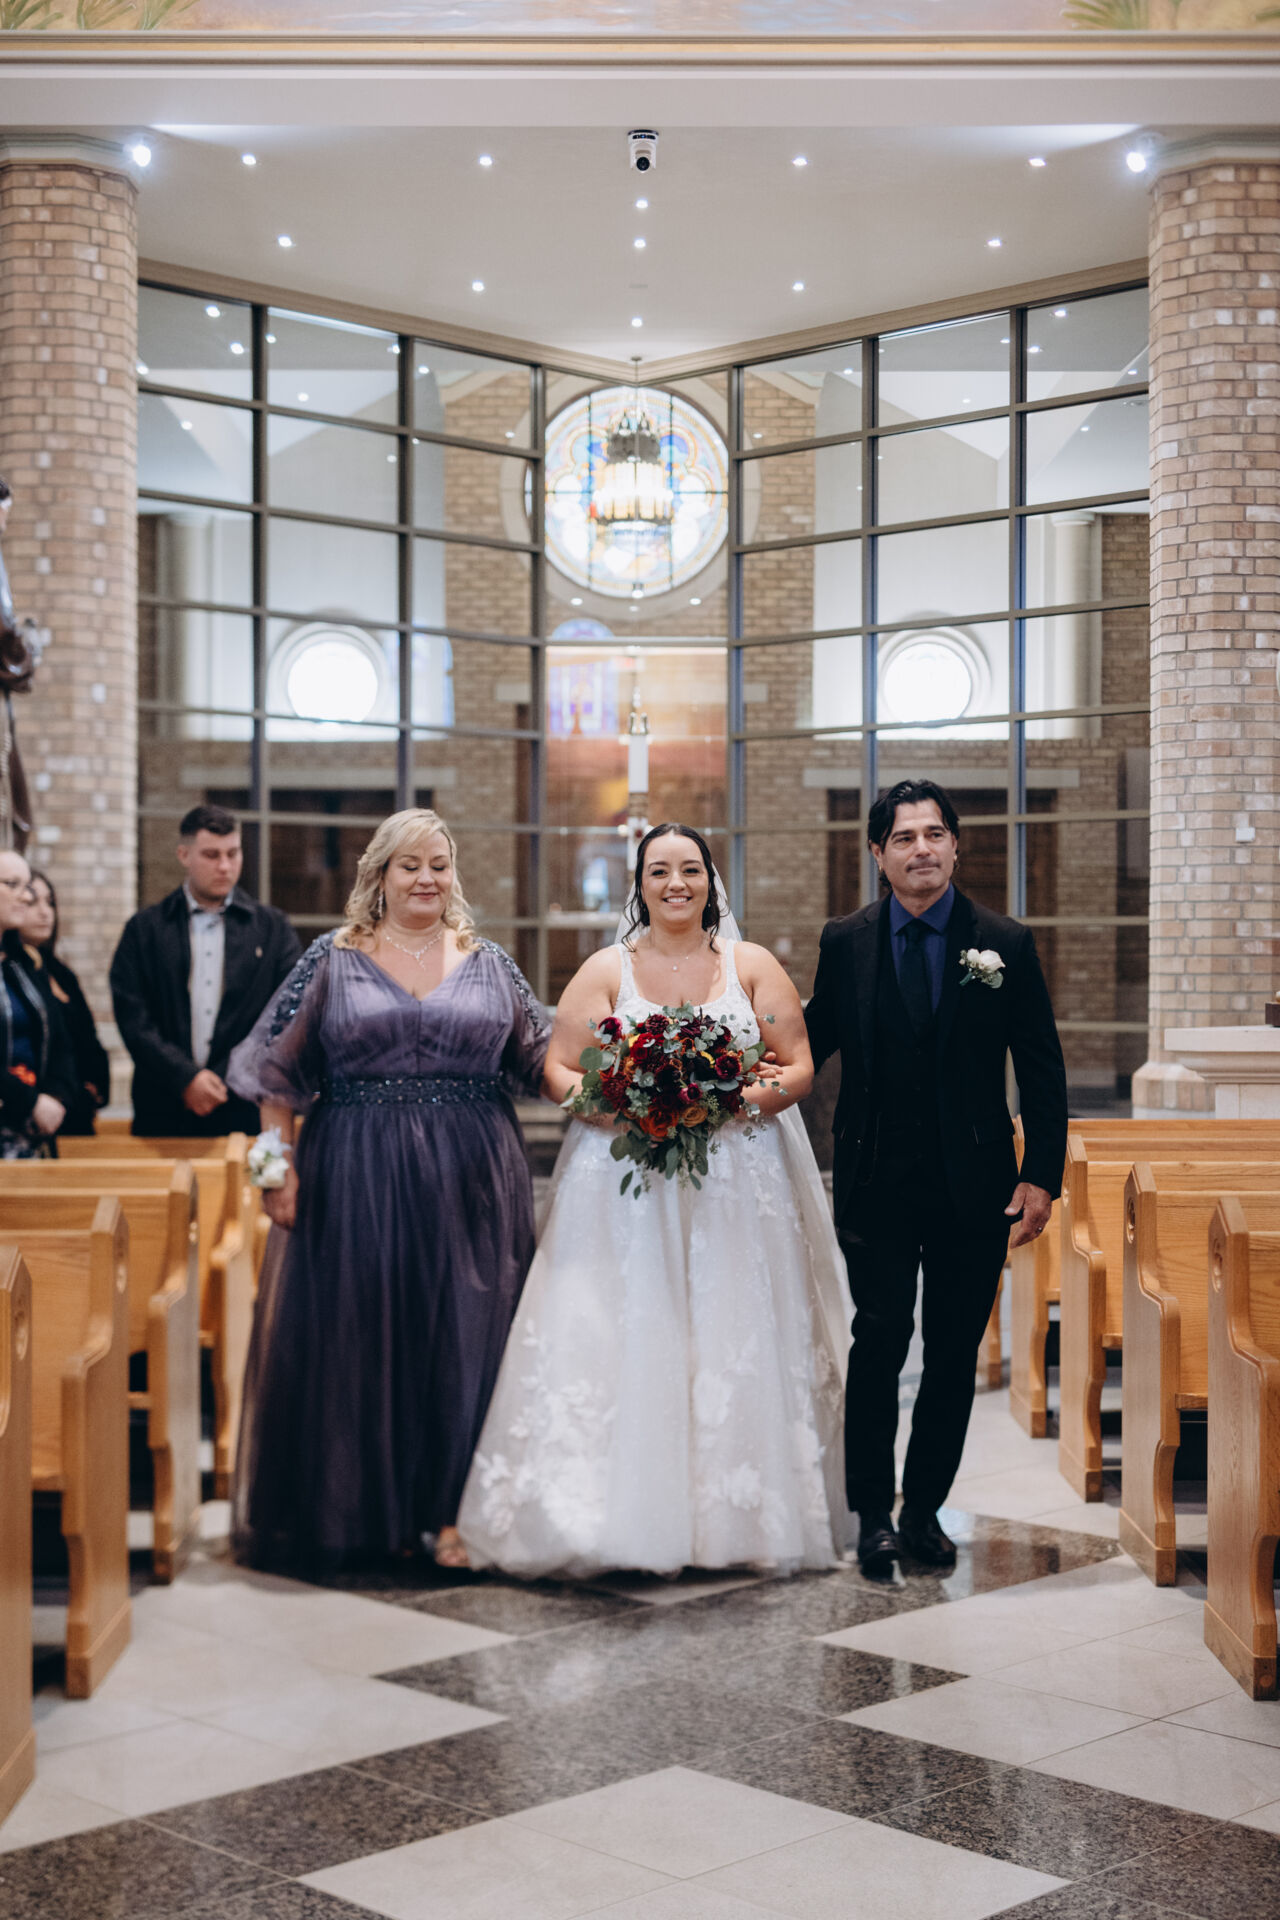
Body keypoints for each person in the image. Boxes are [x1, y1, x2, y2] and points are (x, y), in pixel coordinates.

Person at [457, 822, 854, 1579]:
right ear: (639, 885)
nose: (677, 884)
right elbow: (558, 1068)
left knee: (731, 1326)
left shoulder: (751, 965)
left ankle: (738, 1520)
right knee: (624, 1323)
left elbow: (799, 1066)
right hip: (626, 1177)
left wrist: (726, 1101)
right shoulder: (607, 970)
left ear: (711, 881)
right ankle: (613, 1516)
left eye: (691, 869)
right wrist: (619, 1107)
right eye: (660, 871)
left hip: (735, 1178)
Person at [225, 807, 549, 1573]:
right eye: (410, 865)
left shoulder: (489, 962)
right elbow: (272, 1074)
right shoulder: (332, 959)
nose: (426, 879)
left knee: (468, 1338)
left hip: (474, 1178)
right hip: (354, 1174)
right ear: (379, 875)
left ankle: (457, 1515)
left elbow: (542, 1059)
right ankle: (366, 1516)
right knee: (362, 1337)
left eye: (439, 864)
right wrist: (273, 1175)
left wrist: (631, 1066)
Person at [805, 778, 1068, 1578]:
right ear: (878, 853)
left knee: (953, 1354)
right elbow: (810, 1042)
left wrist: (1041, 1176)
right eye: (903, 837)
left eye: (933, 835)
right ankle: (872, 1516)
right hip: (874, 1179)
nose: (920, 849)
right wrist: (720, 1074)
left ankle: (922, 1511)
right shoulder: (845, 940)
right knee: (878, 1341)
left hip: (975, 1184)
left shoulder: (1004, 942)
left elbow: (1042, 1066)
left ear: (955, 845)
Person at [109, 804, 301, 1136]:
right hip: (164, 1106)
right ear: (184, 855)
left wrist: (223, 1078)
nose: (224, 866)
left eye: (233, 853)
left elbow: (286, 1015)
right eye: (211, 855)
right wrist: (185, 1078)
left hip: (244, 1105)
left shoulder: (273, 929)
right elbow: (133, 1017)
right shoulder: (144, 929)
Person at [22, 871, 111, 1135]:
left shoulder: (60, 972)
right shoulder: (13, 976)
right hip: (34, 1110)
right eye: (32, 902)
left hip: (75, 1109)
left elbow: (87, 1037)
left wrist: (94, 1087)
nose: (45, 913)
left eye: (49, 903)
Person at [0, 848, 76, 1157]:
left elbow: (59, 1040)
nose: (26, 896)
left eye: (27, 886)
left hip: (29, 1135)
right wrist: (29, 1101)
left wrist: (56, 1096)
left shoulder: (23, 963)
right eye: (12, 885)